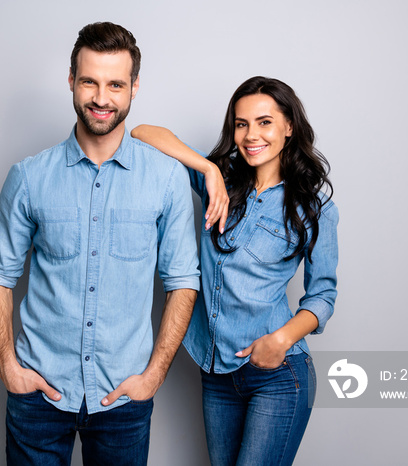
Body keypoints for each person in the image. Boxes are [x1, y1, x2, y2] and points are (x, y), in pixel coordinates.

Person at [0, 22, 199, 466]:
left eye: (116, 84)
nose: (102, 98)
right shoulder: (28, 177)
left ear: (134, 87)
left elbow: (183, 282)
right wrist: (8, 364)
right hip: (38, 396)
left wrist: (153, 376)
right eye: (90, 82)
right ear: (71, 81)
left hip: (123, 398)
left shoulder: (167, 179)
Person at [132, 76, 339, 466]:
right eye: (241, 124)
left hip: (278, 374)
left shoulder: (314, 207)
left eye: (264, 122)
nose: (250, 135)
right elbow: (143, 133)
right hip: (216, 373)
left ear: (288, 127)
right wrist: (207, 170)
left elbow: (323, 296)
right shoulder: (222, 181)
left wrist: (279, 341)